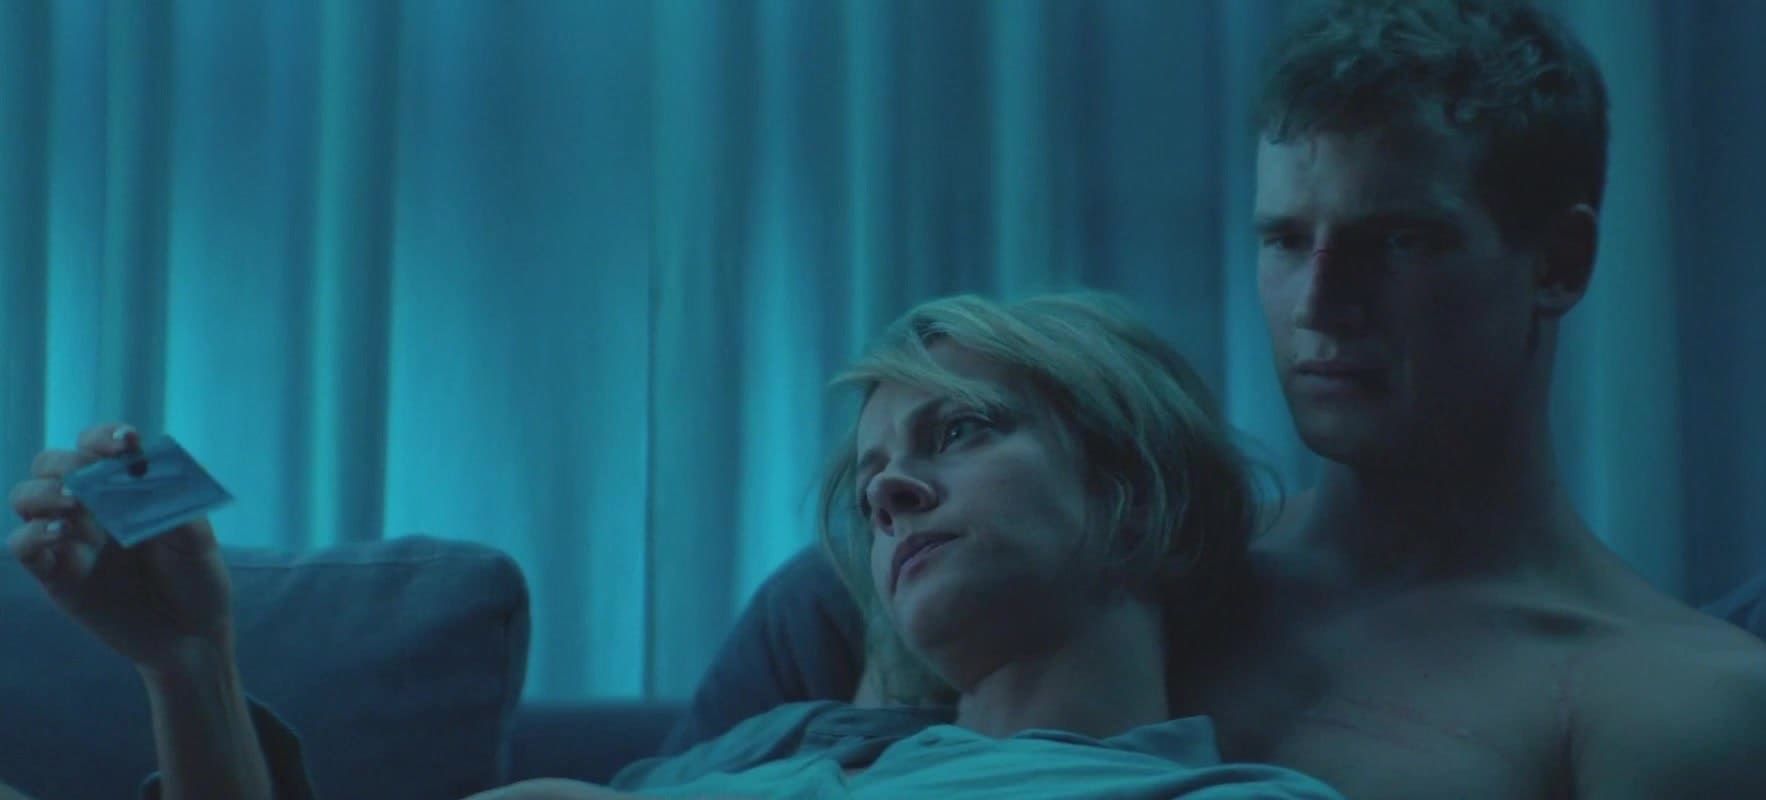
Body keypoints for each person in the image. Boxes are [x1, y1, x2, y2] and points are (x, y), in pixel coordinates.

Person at [667, 1, 1766, 798]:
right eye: (1284, 240)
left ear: (1557, 262)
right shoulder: (1098, 561)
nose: (1320, 303)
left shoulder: (1661, 700)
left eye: (1397, 240)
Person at [7, 293, 1344, 799]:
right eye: (872, 473)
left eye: (960, 432)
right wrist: (190, 659)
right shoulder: (789, 747)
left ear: (1135, 491)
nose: (889, 490)